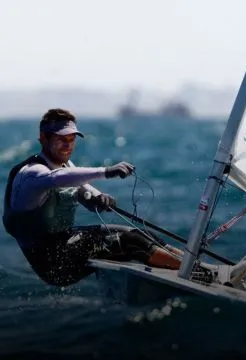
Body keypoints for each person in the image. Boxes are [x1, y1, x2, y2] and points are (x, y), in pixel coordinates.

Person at [2, 108, 185, 287]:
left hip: (67, 243)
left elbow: (79, 186)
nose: (67, 145)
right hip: (53, 262)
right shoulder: (32, 173)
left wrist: (98, 197)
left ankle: (188, 263)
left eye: (71, 139)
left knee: (138, 234)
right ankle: (189, 272)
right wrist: (106, 171)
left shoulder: (65, 166)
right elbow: (57, 179)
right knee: (131, 243)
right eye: (61, 139)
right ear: (43, 138)